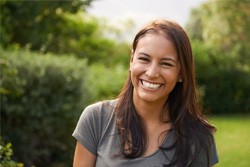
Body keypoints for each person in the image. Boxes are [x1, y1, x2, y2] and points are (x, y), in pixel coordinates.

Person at [72, 19, 219, 167]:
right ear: (131, 60)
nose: (152, 72)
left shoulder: (198, 137)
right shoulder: (96, 119)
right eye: (144, 59)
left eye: (166, 63)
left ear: (181, 72)